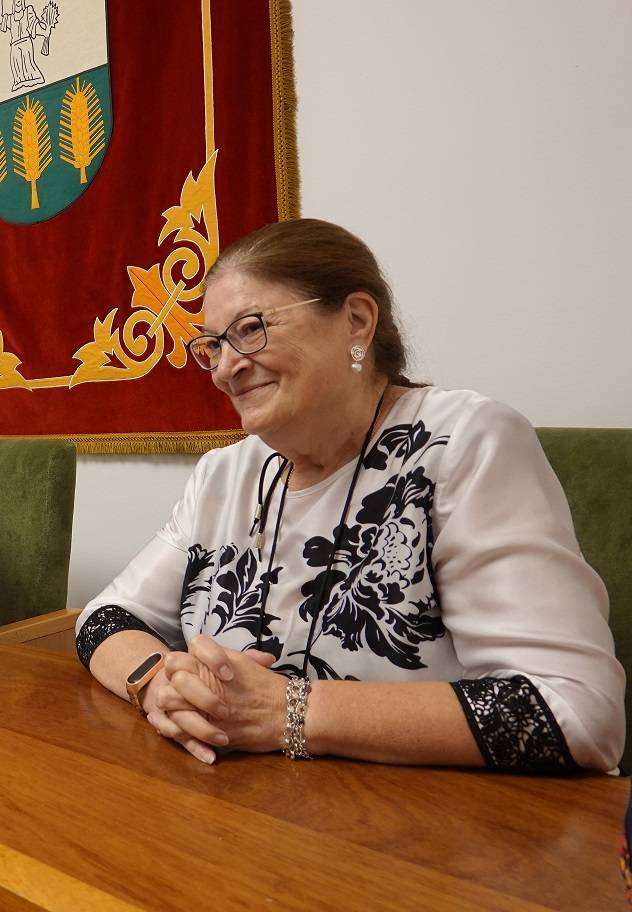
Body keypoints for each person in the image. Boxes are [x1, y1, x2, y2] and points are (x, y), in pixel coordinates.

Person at [76, 218, 624, 773]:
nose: (225, 368)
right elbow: (105, 617)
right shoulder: (224, 473)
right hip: (230, 815)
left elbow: (574, 711)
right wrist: (156, 685)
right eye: (213, 346)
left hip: (411, 835)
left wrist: (284, 711)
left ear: (357, 322)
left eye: (250, 329)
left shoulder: (461, 444)